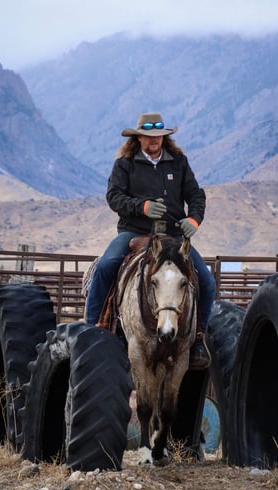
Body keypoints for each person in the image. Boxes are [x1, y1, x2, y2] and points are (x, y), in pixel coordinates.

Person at [85, 112, 215, 369]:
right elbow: (114, 197)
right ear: (139, 138)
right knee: (106, 266)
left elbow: (195, 194)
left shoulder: (178, 162)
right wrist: (141, 207)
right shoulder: (125, 163)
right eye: (148, 136)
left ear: (164, 138)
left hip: (173, 235)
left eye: (158, 136)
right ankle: (91, 331)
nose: (154, 140)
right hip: (134, 232)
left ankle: (198, 338)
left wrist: (193, 220)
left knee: (207, 281)